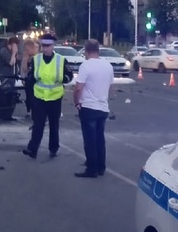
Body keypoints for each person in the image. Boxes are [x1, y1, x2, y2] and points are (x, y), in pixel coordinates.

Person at [22, 34, 71, 160]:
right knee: (38, 124)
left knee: (54, 125)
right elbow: (31, 76)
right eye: (43, 46)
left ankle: (53, 148)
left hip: (55, 98)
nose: (45, 49)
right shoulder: (36, 59)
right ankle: (32, 149)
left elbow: (69, 76)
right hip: (40, 97)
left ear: (53, 46)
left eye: (48, 46)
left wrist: (62, 78)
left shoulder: (61, 60)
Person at [73, 38, 114, 178]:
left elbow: (78, 88)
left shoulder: (86, 66)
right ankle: (101, 167)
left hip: (89, 107)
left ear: (86, 50)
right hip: (103, 107)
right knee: (99, 139)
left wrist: (76, 102)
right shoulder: (108, 66)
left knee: (90, 140)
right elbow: (110, 86)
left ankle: (91, 168)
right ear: (98, 50)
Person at [19, 39, 37, 116]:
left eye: (27, 49)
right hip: (29, 80)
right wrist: (25, 59)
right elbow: (24, 69)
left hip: (36, 81)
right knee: (29, 97)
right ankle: (30, 110)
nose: (25, 51)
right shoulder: (28, 57)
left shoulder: (37, 58)